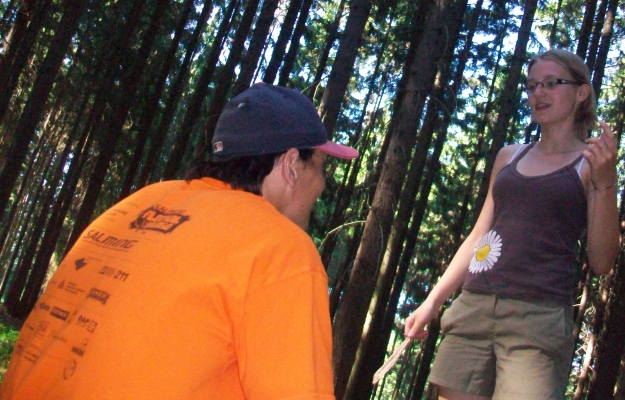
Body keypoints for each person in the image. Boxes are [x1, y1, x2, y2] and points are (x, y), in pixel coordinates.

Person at [0, 83, 358, 399]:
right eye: (321, 166)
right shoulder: (282, 249)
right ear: (292, 164)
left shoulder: (140, 203)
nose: (323, 183)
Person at [404, 49, 619, 399]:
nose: (538, 93)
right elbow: (479, 236)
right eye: (532, 86)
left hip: (538, 318)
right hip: (473, 308)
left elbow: (602, 260)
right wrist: (432, 303)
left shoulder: (591, 166)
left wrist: (607, 182)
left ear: (581, 92)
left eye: (551, 83)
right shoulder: (509, 156)